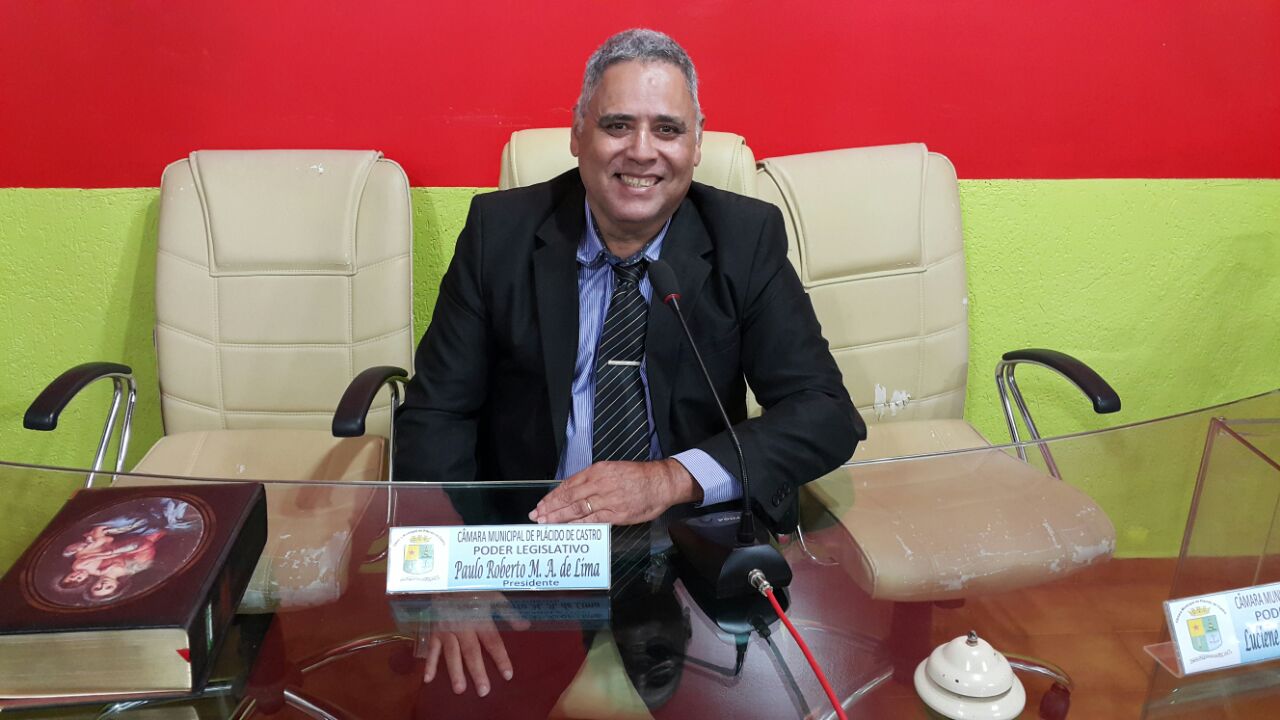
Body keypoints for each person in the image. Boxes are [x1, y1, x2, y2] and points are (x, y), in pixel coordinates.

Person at [396, 27, 858, 695]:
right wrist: (448, 567)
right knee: (464, 703)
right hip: (527, 541)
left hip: (684, 544)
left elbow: (826, 413)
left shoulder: (745, 239)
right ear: (578, 134)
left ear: (696, 144)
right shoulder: (499, 232)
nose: (642, 151)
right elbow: (435, 412)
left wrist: (670, 478)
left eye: (667, 129)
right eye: (617, 125)